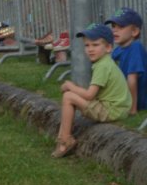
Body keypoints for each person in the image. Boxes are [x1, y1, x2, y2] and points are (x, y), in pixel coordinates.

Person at [53, 24, 131, 158]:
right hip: (119, 108)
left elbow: (89, 95)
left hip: (112, 110)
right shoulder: (105, 62)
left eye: (95, 45)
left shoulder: (102, 66)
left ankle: (65, 140)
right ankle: (62, 137)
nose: (90, 49)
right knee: (71, 95)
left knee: (68, 97)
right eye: (87, 45)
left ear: (108, 47)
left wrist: (70, 86)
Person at [106, 8, 147, 115]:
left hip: (138, 101)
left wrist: (132, 108)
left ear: (134, 31)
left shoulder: (136, 47)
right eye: (113, 26)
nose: (115, 30)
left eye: (121, 26)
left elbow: (132, 79)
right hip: (123, 97)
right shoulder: (118, 50)